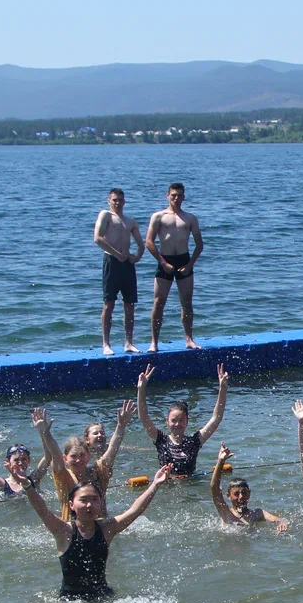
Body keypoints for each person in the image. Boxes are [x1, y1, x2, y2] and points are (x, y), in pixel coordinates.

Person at [16, 463, 172, 602]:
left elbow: (135, 511)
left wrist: (155, 485)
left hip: (103, 598)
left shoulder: (107, 529)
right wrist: (27, 486)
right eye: (83, 500)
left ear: (101, 503)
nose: (89, 505)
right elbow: (42, 510)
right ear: (71, 505)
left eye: (94, 499)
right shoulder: (64, 531)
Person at [137, 363, 228, 476]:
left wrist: (223, 388)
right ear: (167, 421)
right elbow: (144, 418)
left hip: (191, 484)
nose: (177, 424)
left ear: (187, 421)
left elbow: (216, 419)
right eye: (173, 420)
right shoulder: (161, 440)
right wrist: (141, 389)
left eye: (181, 420)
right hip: (166, 484)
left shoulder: (194, 442)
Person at [145, 182, 203, 351]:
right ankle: (154, 342)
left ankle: (189, 339)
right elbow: (149, 242)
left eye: (179, 195)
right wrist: (163, 263)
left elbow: (199, 244)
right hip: (165, 260)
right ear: (168, 196)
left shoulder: (190, 218)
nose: (176, 198)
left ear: (184, 197)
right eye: (173, 195)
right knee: (159, 302)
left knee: (187, 302)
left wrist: (190, 264)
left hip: (184, 260)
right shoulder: (159, 216)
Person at [32, 407, 114, 521]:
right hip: (72, 526)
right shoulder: (63, 476)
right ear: (65, 458)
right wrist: (45, 433)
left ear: (88, 455)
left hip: (102, 523)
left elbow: (112, 451)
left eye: (82, 455)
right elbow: (55, 455)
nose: (78, 460)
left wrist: (121, 426)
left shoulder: (98, 472)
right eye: (73, 456)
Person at [94, 188, 145, 355]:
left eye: (120, 200)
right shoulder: (106, 215)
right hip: (112, 261)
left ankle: (128, 342)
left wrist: (136, 257)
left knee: (129, 304)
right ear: (109, 201)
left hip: (127, 264)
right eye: (114, 200)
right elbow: (98, 238)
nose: (117, 203)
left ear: (124, 201)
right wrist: (117, 254)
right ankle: (106, 344)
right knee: (109, 303)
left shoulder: (130, 221)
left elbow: (141, 244)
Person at [210, 444, 290, 533]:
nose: (241, 497)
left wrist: (282, 522)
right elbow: (214, 487)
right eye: (236, 494)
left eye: (244, 493)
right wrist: (221, 461)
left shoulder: (256, 514)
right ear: (228, 496)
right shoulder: (226, 513)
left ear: (249, 494)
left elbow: (280, 519)